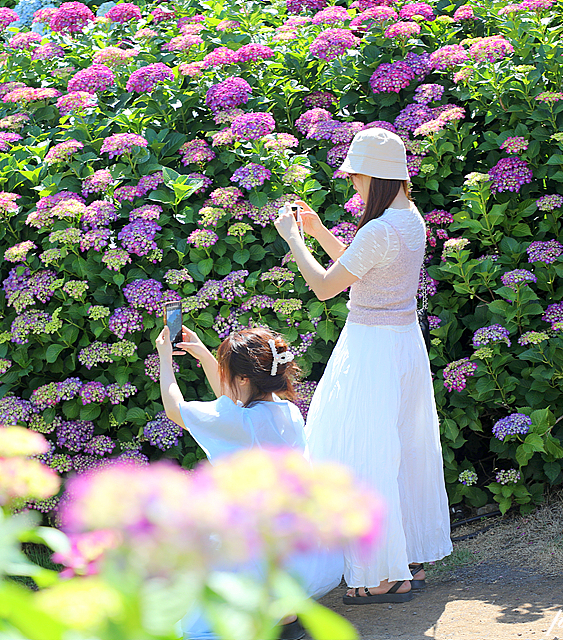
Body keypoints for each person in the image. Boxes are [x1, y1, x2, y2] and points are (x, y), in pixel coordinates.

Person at [273, 127, 453, 605]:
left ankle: (381, 574)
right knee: (397, 448)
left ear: (374, 177)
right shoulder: (409, 218)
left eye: (355, 177)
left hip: (372, 348)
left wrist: (294, 240)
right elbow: (359, 265)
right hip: (401, 345)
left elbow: (326, 286)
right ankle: (399, 558)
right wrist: (318, 232)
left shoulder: (379, 229)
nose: (352, 185)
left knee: (360, 450)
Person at [156, 324, 343, 639]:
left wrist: (165, 357)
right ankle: (285, 618)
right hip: (307, 547)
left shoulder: (239, 422)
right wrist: (202, 352)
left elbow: (176, 409)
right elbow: (232, 403)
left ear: (243, 379)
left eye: (228, 371)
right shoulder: (287, 412)